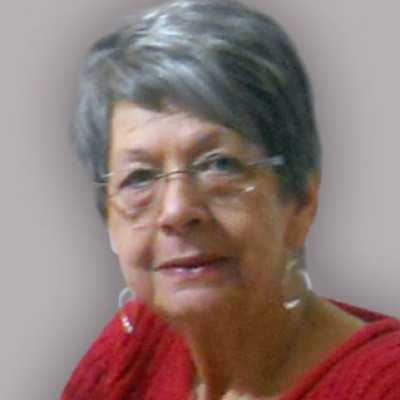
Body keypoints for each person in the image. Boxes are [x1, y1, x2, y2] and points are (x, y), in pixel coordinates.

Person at [61, 0, 400, 399]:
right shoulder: (134, 347)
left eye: (219, 165)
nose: (177, 210)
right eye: (140, 177)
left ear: (301, 201)